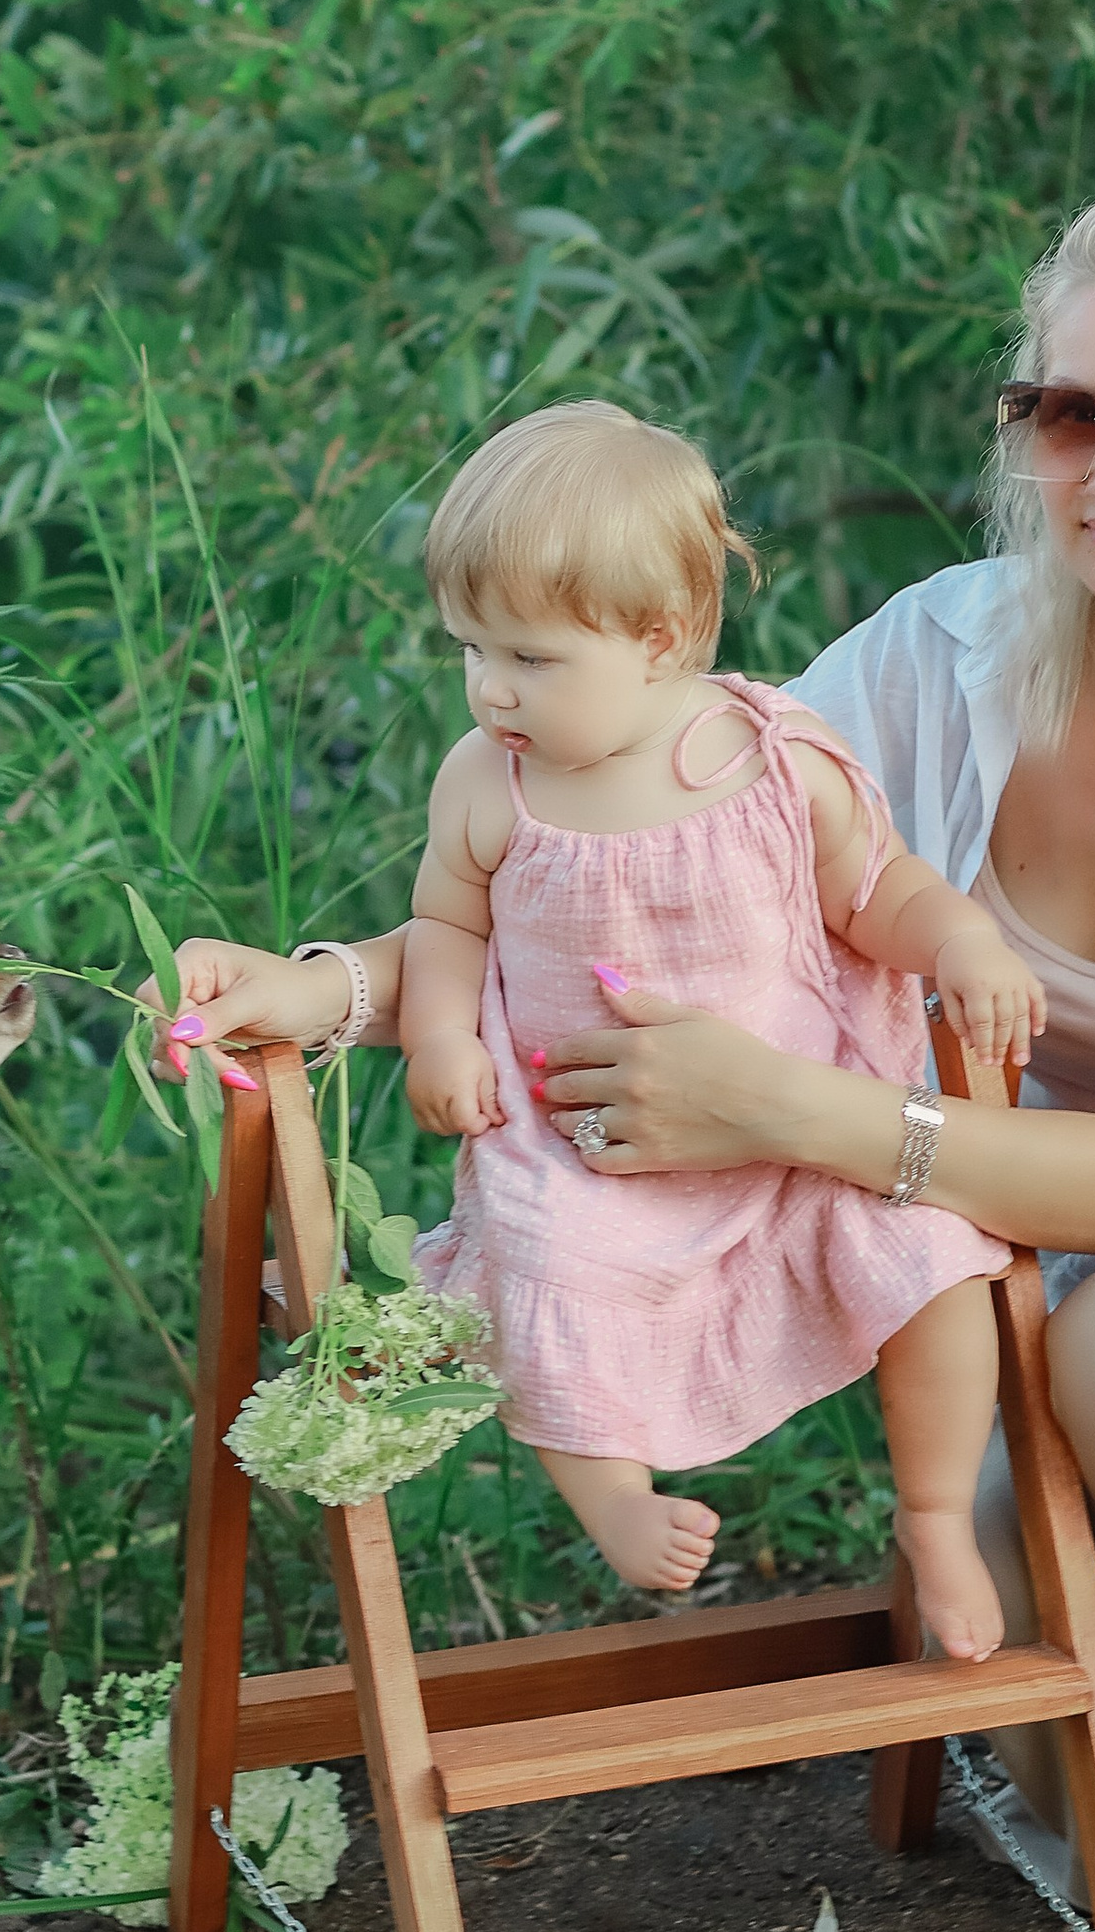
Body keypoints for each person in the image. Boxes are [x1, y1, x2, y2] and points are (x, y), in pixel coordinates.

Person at [169, 176, 1095, 1932]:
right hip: (1039, 1242)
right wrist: (333, 992)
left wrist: (796, 1113)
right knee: (1052, 1399)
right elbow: (624, 879)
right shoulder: (940, 656)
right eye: (1067, 412)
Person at [389, 402, 1036, 1626]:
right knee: (537, 1273)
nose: (490, 690)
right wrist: (437, 1033)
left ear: (659, 635)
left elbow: (873, 894)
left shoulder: (771, 760)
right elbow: (447, 927)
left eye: (530, 658)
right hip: (589, 1154)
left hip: (800, 1134)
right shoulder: (488, 786)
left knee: (939, 1259)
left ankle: (939, 1517)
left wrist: (962, 936)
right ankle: (615, 1499)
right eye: (470, 649)